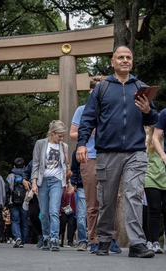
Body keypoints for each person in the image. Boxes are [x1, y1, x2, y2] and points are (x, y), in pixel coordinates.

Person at [76, 45, 158, 258]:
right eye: (120, 57)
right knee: (107, 198)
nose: (124, 60)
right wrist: (82, 144)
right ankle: (103, 240)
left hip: (135, 151)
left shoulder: (141, 87)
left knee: (133, 196)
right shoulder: (103, 88)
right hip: (107, 151)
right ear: (112, 62)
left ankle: (137, 244)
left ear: (132, 61)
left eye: (128, 57)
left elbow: (154, 119)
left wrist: (148, 111)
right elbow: (87, 119)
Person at [69, 76, 121, 254]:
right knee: (93, 202)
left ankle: (111, 239)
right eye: (97, 89)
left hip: (110, 155)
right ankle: (94, 239)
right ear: (92, 91)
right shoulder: (82, 110)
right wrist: (90, 129)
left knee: (112, 200)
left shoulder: (111, 109)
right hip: (90, 156)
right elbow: (72, 134)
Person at [31, 120, 73, 251]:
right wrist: (34, 183)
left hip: (56, 181)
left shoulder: (64, 146)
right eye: (59, 136)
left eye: (63, 136)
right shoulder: (40, 144)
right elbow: (36, 164)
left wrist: (68, 183)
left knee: (54, 211)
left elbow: (66, 167)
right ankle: (46, 237)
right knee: (44, 213)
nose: (61, 138)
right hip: (43, 180)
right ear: (52, 133)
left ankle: (55, 239)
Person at [144, 125, 166, 253]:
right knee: (154, 210)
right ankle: (154, 241)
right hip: (151, 178)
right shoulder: (148, 141)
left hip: (165, 179)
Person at [152, 109, 166, 252]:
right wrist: (163, 156)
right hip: (155, 176)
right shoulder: (164, 113)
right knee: (155, 209)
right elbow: (155, 137)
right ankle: (154, 241)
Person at [6, 158, 28, 248]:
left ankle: (17, 237)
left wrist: (6, 202)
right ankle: (22, 242)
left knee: (15, 221)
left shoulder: (10, 176)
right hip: (25, 202)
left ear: (14, 166)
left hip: (13, 202)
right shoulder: (27, 176)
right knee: (24, 222)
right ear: (24, 166)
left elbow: (7, 190)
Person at [22, 160, 43, 249]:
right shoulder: (34, 160)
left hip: (48, 189)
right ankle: (42, 233)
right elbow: (26, 172)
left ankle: (50, 236)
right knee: (32, 214)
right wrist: (24, 180)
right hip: (34, 191)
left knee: (49, 214)